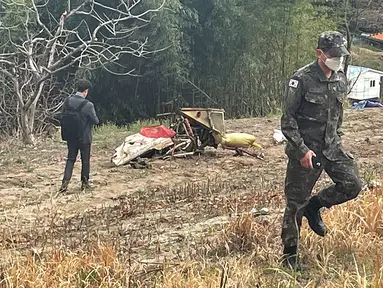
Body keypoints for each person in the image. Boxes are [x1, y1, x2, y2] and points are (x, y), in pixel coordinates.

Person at [280, 31, 362, 269]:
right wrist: (301, 150)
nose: (338, 59)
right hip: (306, 151)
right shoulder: (301, 79)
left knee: (352, 184)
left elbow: (338, 116)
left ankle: (315, 206)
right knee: (295, 203)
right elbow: (287, 121)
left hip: (331, 148)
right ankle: (290, 257)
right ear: (319, 54)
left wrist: (337, 138)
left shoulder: (340, 78)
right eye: (333, 55)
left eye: (341, 55)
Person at [59, 79, 99, 194]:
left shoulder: (67, 101)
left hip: (70, 136)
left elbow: (62, 116)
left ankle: (64, 184)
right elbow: (95, 121)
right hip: (84, 137)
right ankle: (85, 184)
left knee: (70, 159)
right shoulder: (88, 105)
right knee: (85, 161)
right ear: (85, 91)